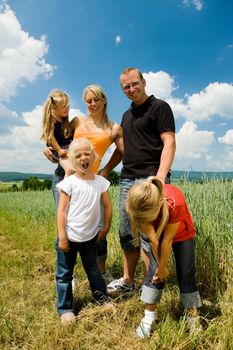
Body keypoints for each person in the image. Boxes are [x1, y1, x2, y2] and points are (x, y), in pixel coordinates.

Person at [100, 67, 176, 293]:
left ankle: (149, 285)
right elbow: (122, 150)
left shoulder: (159, 107)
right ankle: (128, 282)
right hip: (127, 180)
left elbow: (169, 142)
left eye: (135, 84)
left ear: (143, 81)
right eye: (126, 87)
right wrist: (105, 170)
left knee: (149, 235)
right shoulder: (126, 116)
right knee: (126, 233)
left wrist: (160, 178)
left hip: (150, 179)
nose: (131, 89)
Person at [43, 85, 123, 281]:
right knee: (65, 223)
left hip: (93, 182)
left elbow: (122, 151)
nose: (92, 104)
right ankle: (67, 276)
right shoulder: (77, 121)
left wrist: (105, 170)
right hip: (65, 176)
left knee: (98, 224)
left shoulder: (114, 129)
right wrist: (48, 150)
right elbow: (59, 138)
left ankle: (101, 273)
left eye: (96, 99)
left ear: (104, 100)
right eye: (88, 101)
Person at [125, 176, 202, 338]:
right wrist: (159, 269)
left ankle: (192, 316)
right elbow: (154, 240)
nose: (144, 221)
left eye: (147, 218)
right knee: (154, 273)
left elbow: (167, 240)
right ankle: (148, 317)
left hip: (182, 234)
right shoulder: (140, 206)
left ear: (160, 203)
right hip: (158, 236)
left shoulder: (175, 202)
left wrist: (164, 267)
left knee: (186, 272)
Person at [56, 138, 112, 325]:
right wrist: (62, 237)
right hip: (69, 238)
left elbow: (107, 207)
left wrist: (106, 227)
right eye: (78, 155)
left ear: (94, 157)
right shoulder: (69, 183)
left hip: (90, 238)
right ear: (72, 160)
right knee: (64, 274)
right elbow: (62, 211)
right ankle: (65, 309)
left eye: (87, 153)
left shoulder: (101, 182)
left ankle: (102, 299)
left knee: (94, 271)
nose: (83, 158)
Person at [40, 90, 77, 177]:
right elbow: (50, 137)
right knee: (69, 169)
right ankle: (59, 188)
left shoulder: (64, 120)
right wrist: (59, 150)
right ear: (54, 107)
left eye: (68, 106)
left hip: (65, 148)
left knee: (65, 169)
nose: (67, 109)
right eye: (64, 107)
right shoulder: (52, 120)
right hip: (57, 149)